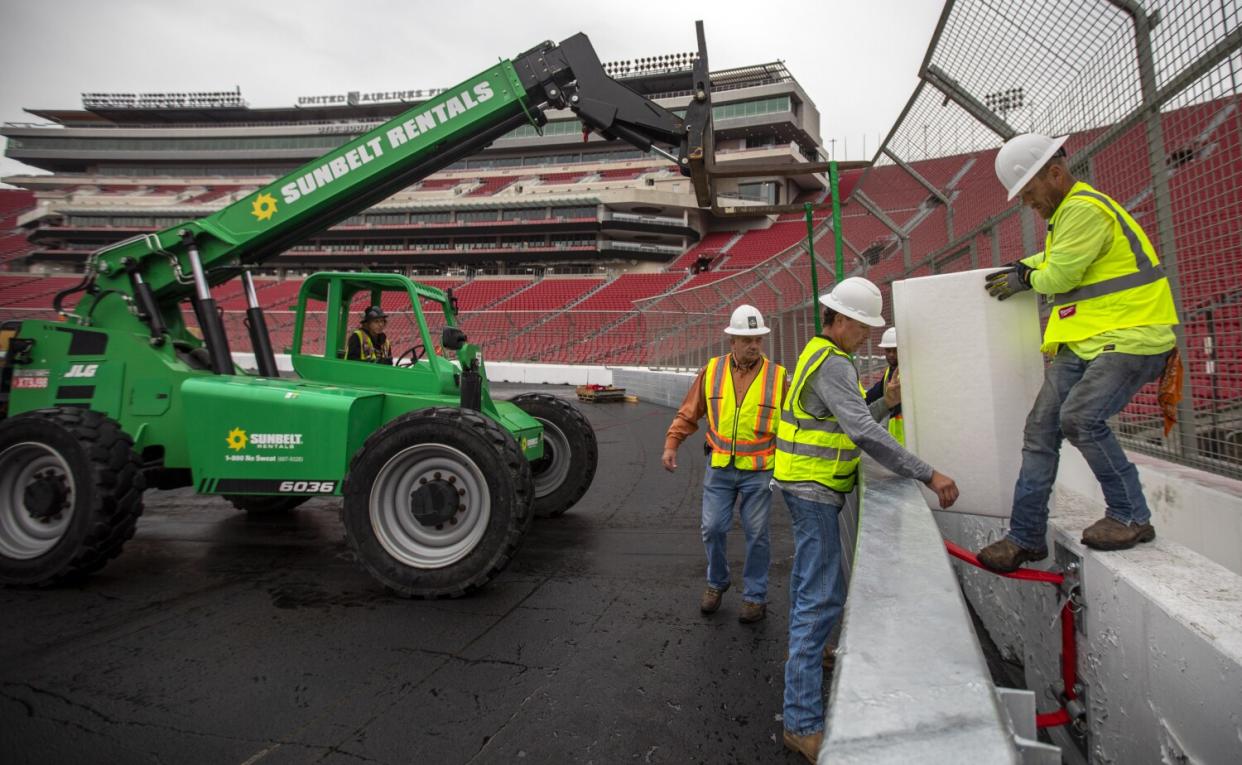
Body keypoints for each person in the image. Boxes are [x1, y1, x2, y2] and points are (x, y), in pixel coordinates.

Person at [774, 277, 959, 761]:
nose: (868, 337)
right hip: (813, 490)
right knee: (820, 598)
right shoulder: (834, 364)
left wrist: (886, 402)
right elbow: (862, 433)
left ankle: (808, 662)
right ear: (842, 320)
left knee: (810, 591)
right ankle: (801, 721)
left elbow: (846, 420)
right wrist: (928, 473)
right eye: (863, 327)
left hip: (806, 486)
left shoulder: (824, 356)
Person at [978, 133, 1181, 572]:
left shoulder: (1084, 209)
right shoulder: (1066, 216)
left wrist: (1026, 278)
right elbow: (1050, 262)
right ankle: (1026, 536)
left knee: (1080, 419)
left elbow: (1059, 274)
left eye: (1030, 193)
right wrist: (1022, 269)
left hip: (1132, 336)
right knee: (1040, 430)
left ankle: (1131, 515)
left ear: (1055, 173)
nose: (1028, 203)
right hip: (1088, 341)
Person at [662, 304, 787, 624]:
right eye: (747, 339)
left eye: (758, 338)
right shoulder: (712, 370)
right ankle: (717, 583)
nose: (754, 345)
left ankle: (754, 595)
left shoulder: (778, 376)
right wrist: (672, 443)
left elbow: (792, 425)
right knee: (713, 527)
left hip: (760, 470)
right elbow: (690, 411)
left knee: (757, 532)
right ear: (732, 341)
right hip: (719, 466)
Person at [864, 327, 903, 446]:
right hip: (896, 436)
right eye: (888, 350)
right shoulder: (889, 373)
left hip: (909, 436)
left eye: (895, 350)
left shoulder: (908, 372)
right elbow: (875, 393)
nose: (891, 355)